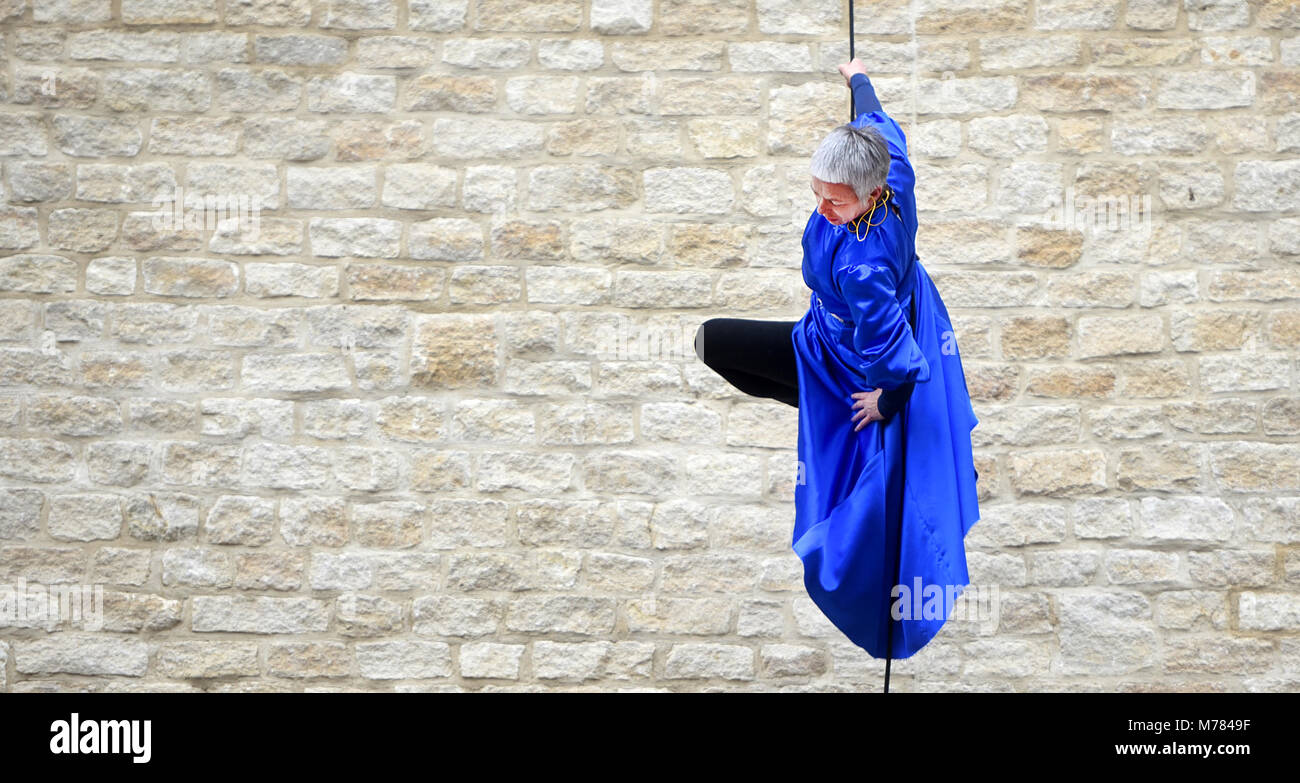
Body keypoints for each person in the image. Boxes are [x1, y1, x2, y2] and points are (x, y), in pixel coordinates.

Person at [696, 59, 981, 660]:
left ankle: (821, 400)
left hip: (849, 358)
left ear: (873, 193)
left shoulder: (863, 267)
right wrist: (858, 77)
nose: (824, 208)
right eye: (817, 195)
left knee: (714, 340)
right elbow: (876, 119)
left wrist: (887, 400)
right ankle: (813, 399)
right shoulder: (891, 162)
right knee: (712, 344)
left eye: (837, 201)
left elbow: (898, 359)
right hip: (835, 329)